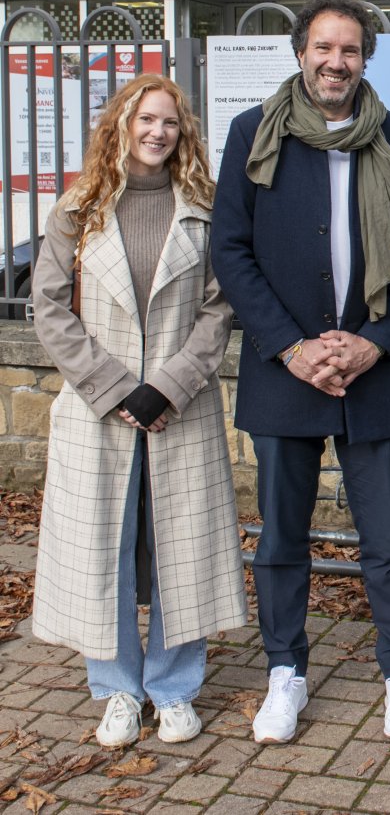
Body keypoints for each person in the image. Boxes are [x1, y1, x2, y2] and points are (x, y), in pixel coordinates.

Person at [211, 0, 390, 744]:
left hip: (374, 369)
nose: (335, 61)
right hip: (285, 371)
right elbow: (232, 251)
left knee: (385, 537)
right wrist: (291, 345)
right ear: (301, 52)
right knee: (280, 535)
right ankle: (285, 671)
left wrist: (375, 340)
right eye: (323, 47)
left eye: (349, 50)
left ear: (365, 58)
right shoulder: (253, 134)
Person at [30, 73, 246, 749]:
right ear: (120, 125)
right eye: (145, 120)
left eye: (170, 123)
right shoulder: (78, 208)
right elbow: (48, 308)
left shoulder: (206, 209)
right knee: (105, 552)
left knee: (184, 549)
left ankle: (175, 688)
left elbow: (219, 308)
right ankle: (119, 688)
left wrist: (171, 384)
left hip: (180, 406)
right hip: (101, 409)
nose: (157, 133)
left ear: (184, 133)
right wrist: (118, 388)